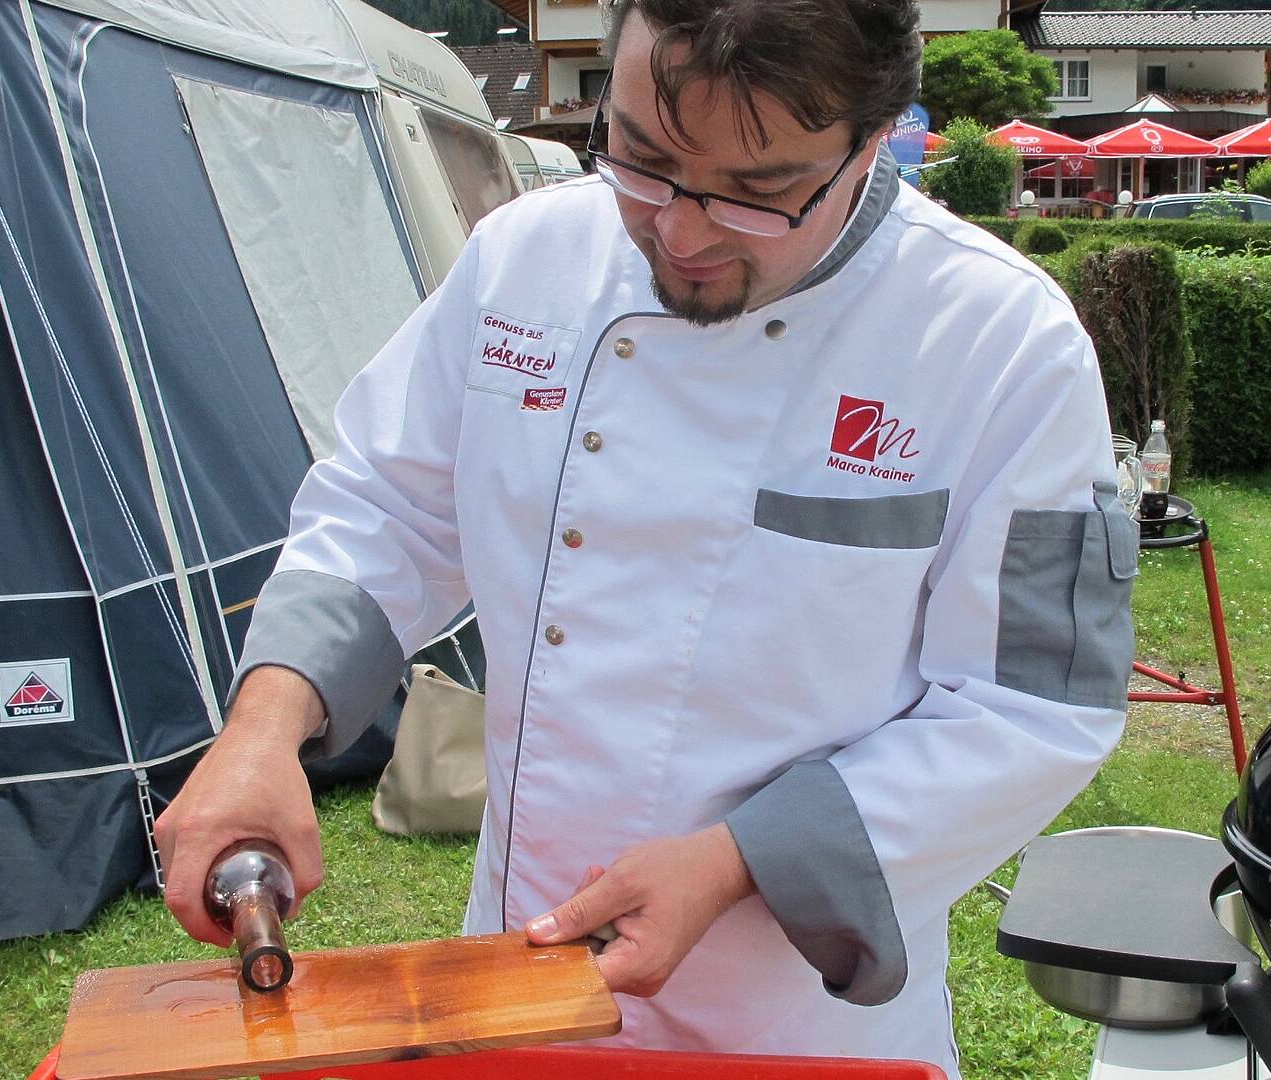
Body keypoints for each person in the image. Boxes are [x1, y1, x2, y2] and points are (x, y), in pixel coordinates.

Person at [153, 0, 1136, 1072]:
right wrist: (261, 731)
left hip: (790, 1014)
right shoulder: (527, 263)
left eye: (759, 193)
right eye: (642, 158)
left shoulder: (1000, 344)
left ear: (874, 139)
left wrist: (732, 864)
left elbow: (1031, 705)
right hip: (520, 973)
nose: (681, 229)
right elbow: (387, 506)